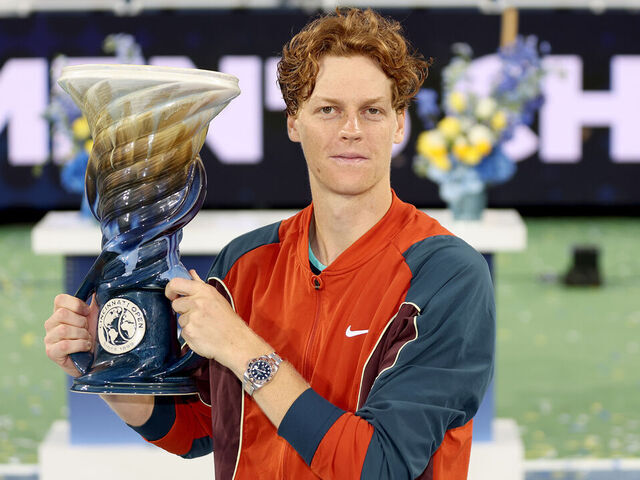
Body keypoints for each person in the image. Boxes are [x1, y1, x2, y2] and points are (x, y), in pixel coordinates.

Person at [44, 7, 495, 479]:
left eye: (373, 110)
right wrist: (114, 373)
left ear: (399, 124)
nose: (351, 130)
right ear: (294, 121)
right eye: (328, 109)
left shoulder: (446, 275)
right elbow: (202, 427)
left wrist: (241, 347)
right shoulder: (247, 262)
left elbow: (380, 464)